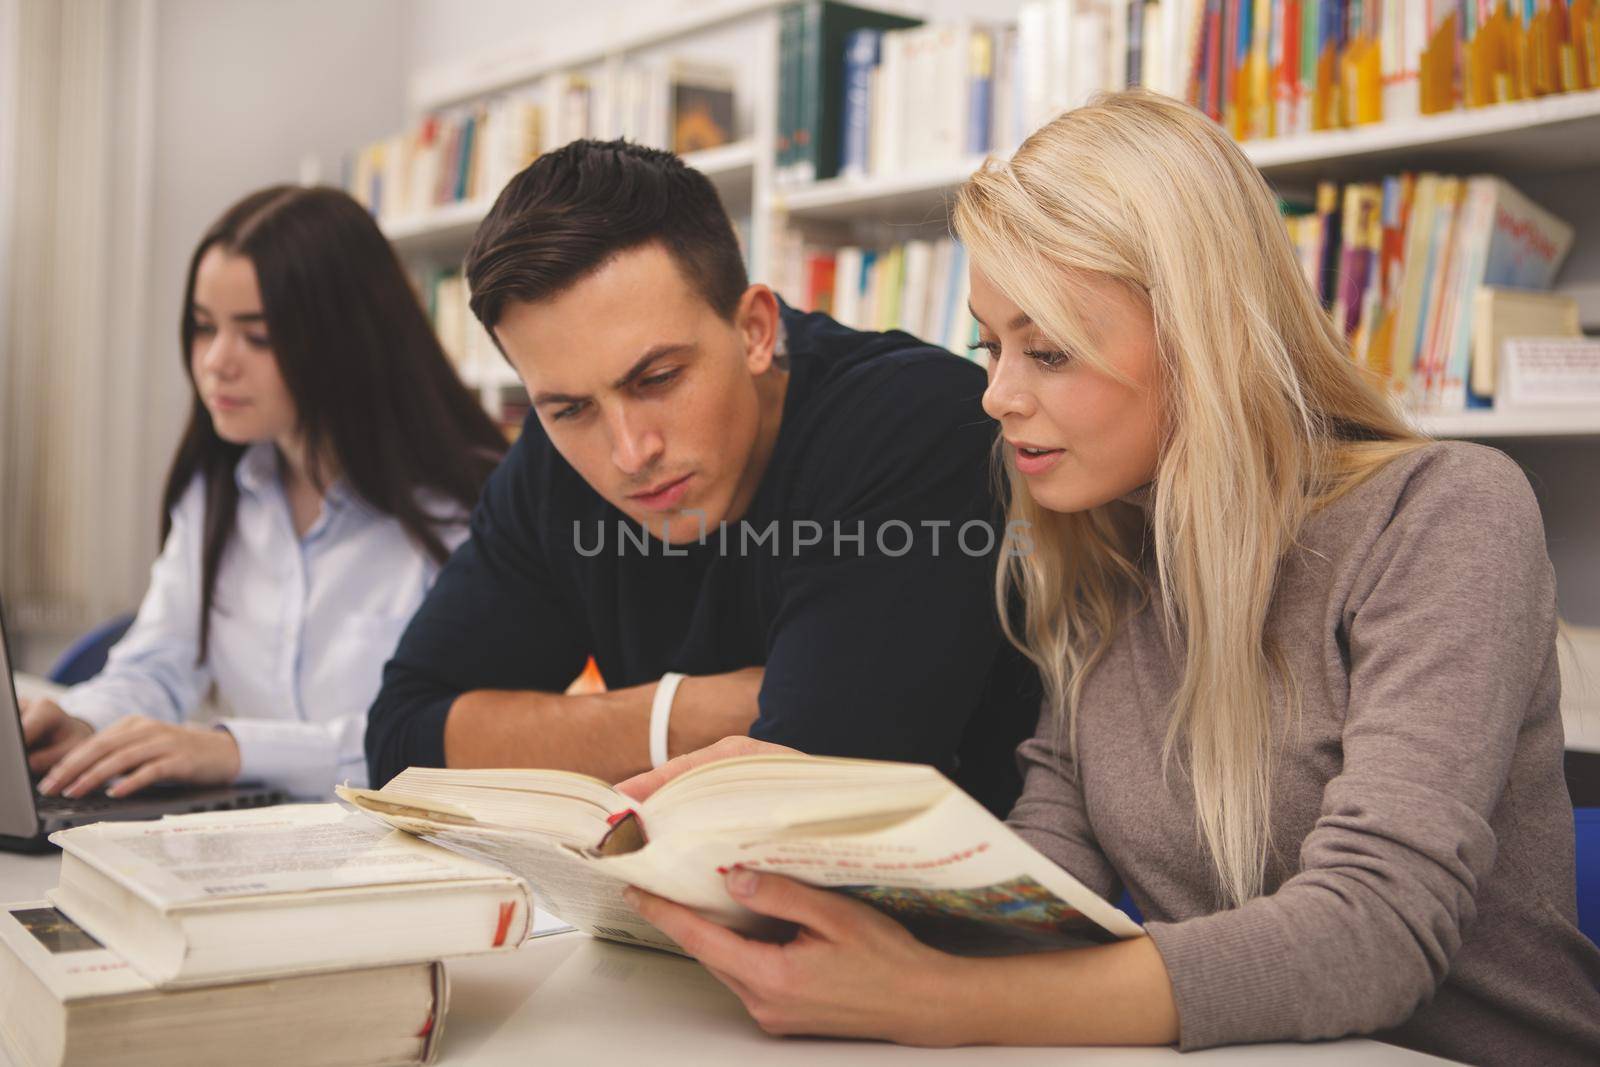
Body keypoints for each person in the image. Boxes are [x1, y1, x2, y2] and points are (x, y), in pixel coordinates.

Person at [616, 92, 1600, 1065]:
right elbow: (1045, 883)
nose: (996, 394)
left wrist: (943, 999)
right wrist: (809, 819)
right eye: (989, 345)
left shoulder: (1443, 513)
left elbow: (1373, 934)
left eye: (1046, 349)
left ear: (1203, 341)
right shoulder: (1101, 559)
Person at [364, 139, 1039, 817]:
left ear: (754, 329)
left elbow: (809, 796)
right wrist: (690, 711)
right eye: (568, 408)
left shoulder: (913, 422)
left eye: (657, 378)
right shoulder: (551, 460)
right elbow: (402, 745)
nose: (629, 451)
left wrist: (578, 733)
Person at [22, 185, 506, 800]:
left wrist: (234, 751)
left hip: (409, 856)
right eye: (203, 328)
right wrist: (79, 722)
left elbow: (444, 738)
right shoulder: (220, 489)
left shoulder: (469, 509)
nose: (216, 362)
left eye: (257, 336)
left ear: (345, 338)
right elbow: (158, 667)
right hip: (257, 845)